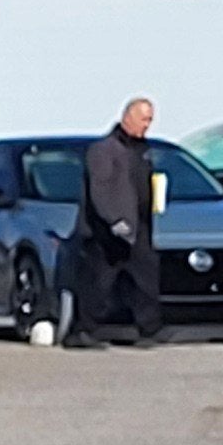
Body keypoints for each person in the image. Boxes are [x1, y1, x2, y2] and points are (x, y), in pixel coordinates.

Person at [67, 96, 166, 347]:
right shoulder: (104, 150)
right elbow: (100, 190)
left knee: (146, 281)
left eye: (150, 120)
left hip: (139, 228)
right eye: (144, 119)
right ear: (128, 118)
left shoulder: (142, 151)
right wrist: (115, 220)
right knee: (99, 283)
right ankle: (83, 332)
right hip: (106, 230)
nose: (147, 125)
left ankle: (149, 331)